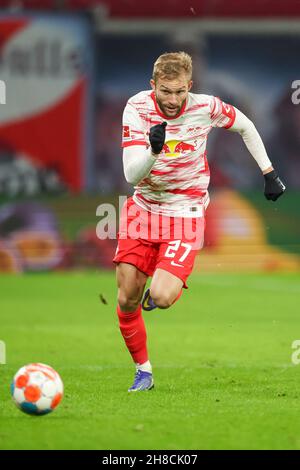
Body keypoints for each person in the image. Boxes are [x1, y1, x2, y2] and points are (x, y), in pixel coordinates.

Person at [113, 52, 285, 392]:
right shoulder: (136, 108)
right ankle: (143, 371)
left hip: (185, 212)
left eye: (180, 91)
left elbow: (246, 125)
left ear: (190, 86)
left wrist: (268, 172)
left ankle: (159, 293)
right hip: (143, 209)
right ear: (153, 86)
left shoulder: (206, 107)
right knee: (125, 299)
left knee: (161, 296)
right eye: (166, 91)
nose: (173, 100)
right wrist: (152, 150)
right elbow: (131, 174)